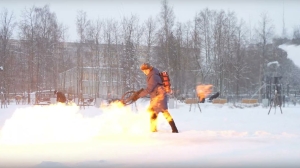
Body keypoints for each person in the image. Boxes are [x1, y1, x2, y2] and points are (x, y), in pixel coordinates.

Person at [132, 63, 179, 133]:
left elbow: (149, 89)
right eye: (143, 71)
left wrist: (138, 96)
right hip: (156, 97)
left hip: (160, 97)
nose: (145, 72)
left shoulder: (153, 76)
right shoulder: (153, 75)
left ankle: (174, 129)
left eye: (146, 70)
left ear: (149, 69)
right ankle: (153, 129)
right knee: (153, 112)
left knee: (164, 112)